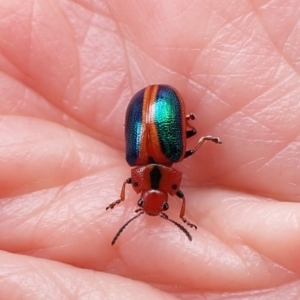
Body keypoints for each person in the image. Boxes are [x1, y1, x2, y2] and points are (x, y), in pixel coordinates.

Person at [0, 1, 299, 299]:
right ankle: (190, 130)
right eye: (164, 206)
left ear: (139, 193)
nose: (154, 203)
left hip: (156, 105)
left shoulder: (158, 160)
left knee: (190, 140)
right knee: (192, 138)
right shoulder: (143, 161)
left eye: (141, 202)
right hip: (159, 105)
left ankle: (190, 130)